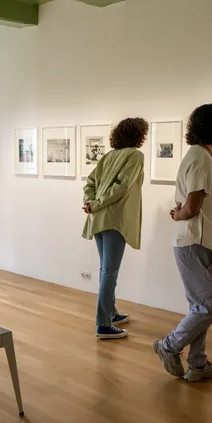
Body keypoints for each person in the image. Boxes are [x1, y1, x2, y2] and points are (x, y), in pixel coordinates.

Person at [153, 104, 212, 381]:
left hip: (205, 241)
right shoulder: (199, 158)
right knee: (211, 307)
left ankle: (197, 364)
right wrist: (179, 215)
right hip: (199, 242)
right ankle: (168, 345)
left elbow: (209, 192)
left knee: (200, 307)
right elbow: (194, 206)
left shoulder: (203, 157)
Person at [82, 118, 149, 339]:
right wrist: (97, 203)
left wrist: (90, 202)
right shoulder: (136, 156)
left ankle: (111, 312)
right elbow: (122, 188)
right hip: (114, 220)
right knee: (109, 271)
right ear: (138, 135)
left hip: (99, 219)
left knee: (105, 269)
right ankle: (103, 325)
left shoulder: (108, 156)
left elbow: (89, 183)